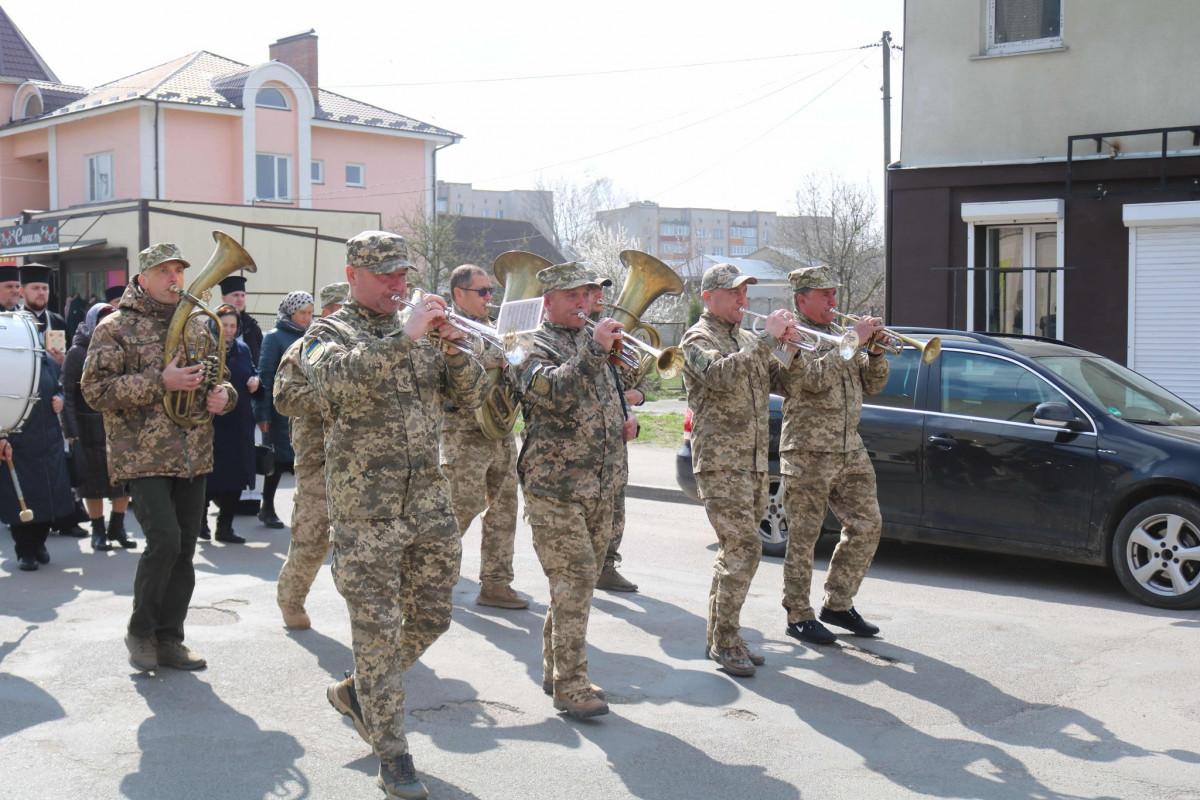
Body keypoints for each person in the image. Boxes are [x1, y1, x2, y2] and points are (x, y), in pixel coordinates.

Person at [303, 231, 485, 800]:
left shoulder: (424, 331)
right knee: (378, 635)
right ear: (353, 275)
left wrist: (454, 350)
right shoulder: (328, 333)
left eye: (402, 273)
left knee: (433, 616)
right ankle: (393, 754)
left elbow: (472, 397)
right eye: (384, 274)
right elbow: (329, 381)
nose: (396, 284)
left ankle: (358, 691)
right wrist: (403, 337)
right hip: (366, 512)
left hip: (428, 503)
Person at [81, 242, 237, 673]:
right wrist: (159, 382)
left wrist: (224, 397)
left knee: (184, 549)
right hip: (141, 456)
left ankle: (170, 638)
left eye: (179, 271)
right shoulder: (115, 327)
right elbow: (94, 391)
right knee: (164, 541)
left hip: (193, 453)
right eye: (164, 271)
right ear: (142, 279)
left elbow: (220, 378)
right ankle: (140, 632)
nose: (174, 279)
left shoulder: (198, 324)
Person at [516, 261, 627, 720]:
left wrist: (625, 417)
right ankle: (571, 685)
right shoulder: (526, 344)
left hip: (601, 484)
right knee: (576, 581)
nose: (584, 304)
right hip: (555, 487)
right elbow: (552, 392)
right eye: (572, 296)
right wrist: (596, 350)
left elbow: (611, 395)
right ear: (548, 301)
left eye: (588, 295)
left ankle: (555, 669)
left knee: (573, 587)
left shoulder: (591, 340)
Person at [682, 263, 797, 678]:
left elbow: (784, 382)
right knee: (745, 549)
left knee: (735, 553)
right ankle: (726, 641)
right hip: (720, 464)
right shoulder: (696, 338)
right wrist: (767, 339)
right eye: (733, 293)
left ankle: (722, 635)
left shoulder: (747, 338)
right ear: (709, 297)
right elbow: (720, 375)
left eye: (744, 292)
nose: (742, 300)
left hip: (752, 463)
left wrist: (790, 347)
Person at [779, 266, 888, 646]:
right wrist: (853, 340)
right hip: (807, 450)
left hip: (848, 447)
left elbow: (874, 384)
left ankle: (838, 604)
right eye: (824, 294)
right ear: (802, 299)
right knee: (805, 536)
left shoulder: (843, 336)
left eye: (834, 293)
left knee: (868, 524)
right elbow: (810, 381)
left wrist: (875, 352)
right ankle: (798, 614)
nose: (833, 301)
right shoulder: (789, 336)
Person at [440, 264, 528, 610]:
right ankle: (429, 580)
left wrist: (517, 353)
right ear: (459, 294)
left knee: (504, 509)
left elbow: (516, 358)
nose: (490, 298)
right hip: (463, 433)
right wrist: (499, 355)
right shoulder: (446, 326)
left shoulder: (495, 327)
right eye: (482, 292)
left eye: (491, 291)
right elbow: (463, 358)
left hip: (500, 429)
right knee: (460, 508)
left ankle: (496, 583)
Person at [273, 281, 347, 630]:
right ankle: (291, 598)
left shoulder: (367, 349)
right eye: (341, 308)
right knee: (313, 535)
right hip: (318, 457)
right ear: (327, 311)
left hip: (363, 460)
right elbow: (285, 398)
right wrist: (336, 392)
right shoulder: (307, 346)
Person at [61, 302, 135, 552]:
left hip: (121, 427)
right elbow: (67, 393)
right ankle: (98, 531)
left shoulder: (124, 348)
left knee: (124, 481)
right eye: (104, 321)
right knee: (92, 484)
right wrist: (71, 431)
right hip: (88, 428)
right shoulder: (78, 352)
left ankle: (117, 527)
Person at [19, 263, 87, 538]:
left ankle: (66, 517)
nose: (41, 293)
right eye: (35, 288)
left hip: (55, 398)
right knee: (32, 464)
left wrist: (61, 362)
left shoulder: (57, 320)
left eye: (44, 288)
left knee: (62, 461)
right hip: (27, 401)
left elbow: (68, 359)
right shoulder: (14, 321)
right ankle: (33, 522)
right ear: (23, 291)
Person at [0, 334, 76, 571]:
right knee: (21, 499)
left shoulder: (46, 360)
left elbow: (59, 388)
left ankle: (40, 543)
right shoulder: (6, 360)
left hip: (49, 441)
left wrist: (59, 399)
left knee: (48, 498)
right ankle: (25, 550)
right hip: (18, 442)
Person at [586, 282, 641, 594]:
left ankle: (606, 566)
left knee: (615, 505)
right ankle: (587, 569)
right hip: (585, 442)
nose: (600, 297)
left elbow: (626, 381)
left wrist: (636, 402)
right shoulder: (582, 336)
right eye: (592, 291)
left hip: (614, 437)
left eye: (601, 292)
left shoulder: (613, 333)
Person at [254, 291, 314, 528]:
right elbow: (265, 375)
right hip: (280, 412)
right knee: (277, 463)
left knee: (304, 463)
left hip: (304, 411)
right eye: (302, 313)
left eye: (310, 313)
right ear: (291, 312)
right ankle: (267, 507)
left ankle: (305, 513)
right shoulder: (275, 337)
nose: (306, 318)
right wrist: (262, 413)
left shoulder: (311, 336)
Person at [205, 304, 261, 545]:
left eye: (233, 326)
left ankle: (225, 526)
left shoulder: (242, 348)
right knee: (209, 477)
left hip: (239, 422)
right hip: (214, 423)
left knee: (237, 476)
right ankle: (199, 523)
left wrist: (256, 381)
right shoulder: (206, 348)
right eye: (224, 325)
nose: (229, 330)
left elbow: (253, 371)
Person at [220, 274, 263, 367]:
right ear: (223, 298)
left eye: (243, 295)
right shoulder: (213, 324)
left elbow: (260, 358)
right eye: (235, 295)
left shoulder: (253, 327)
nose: (240, 299)